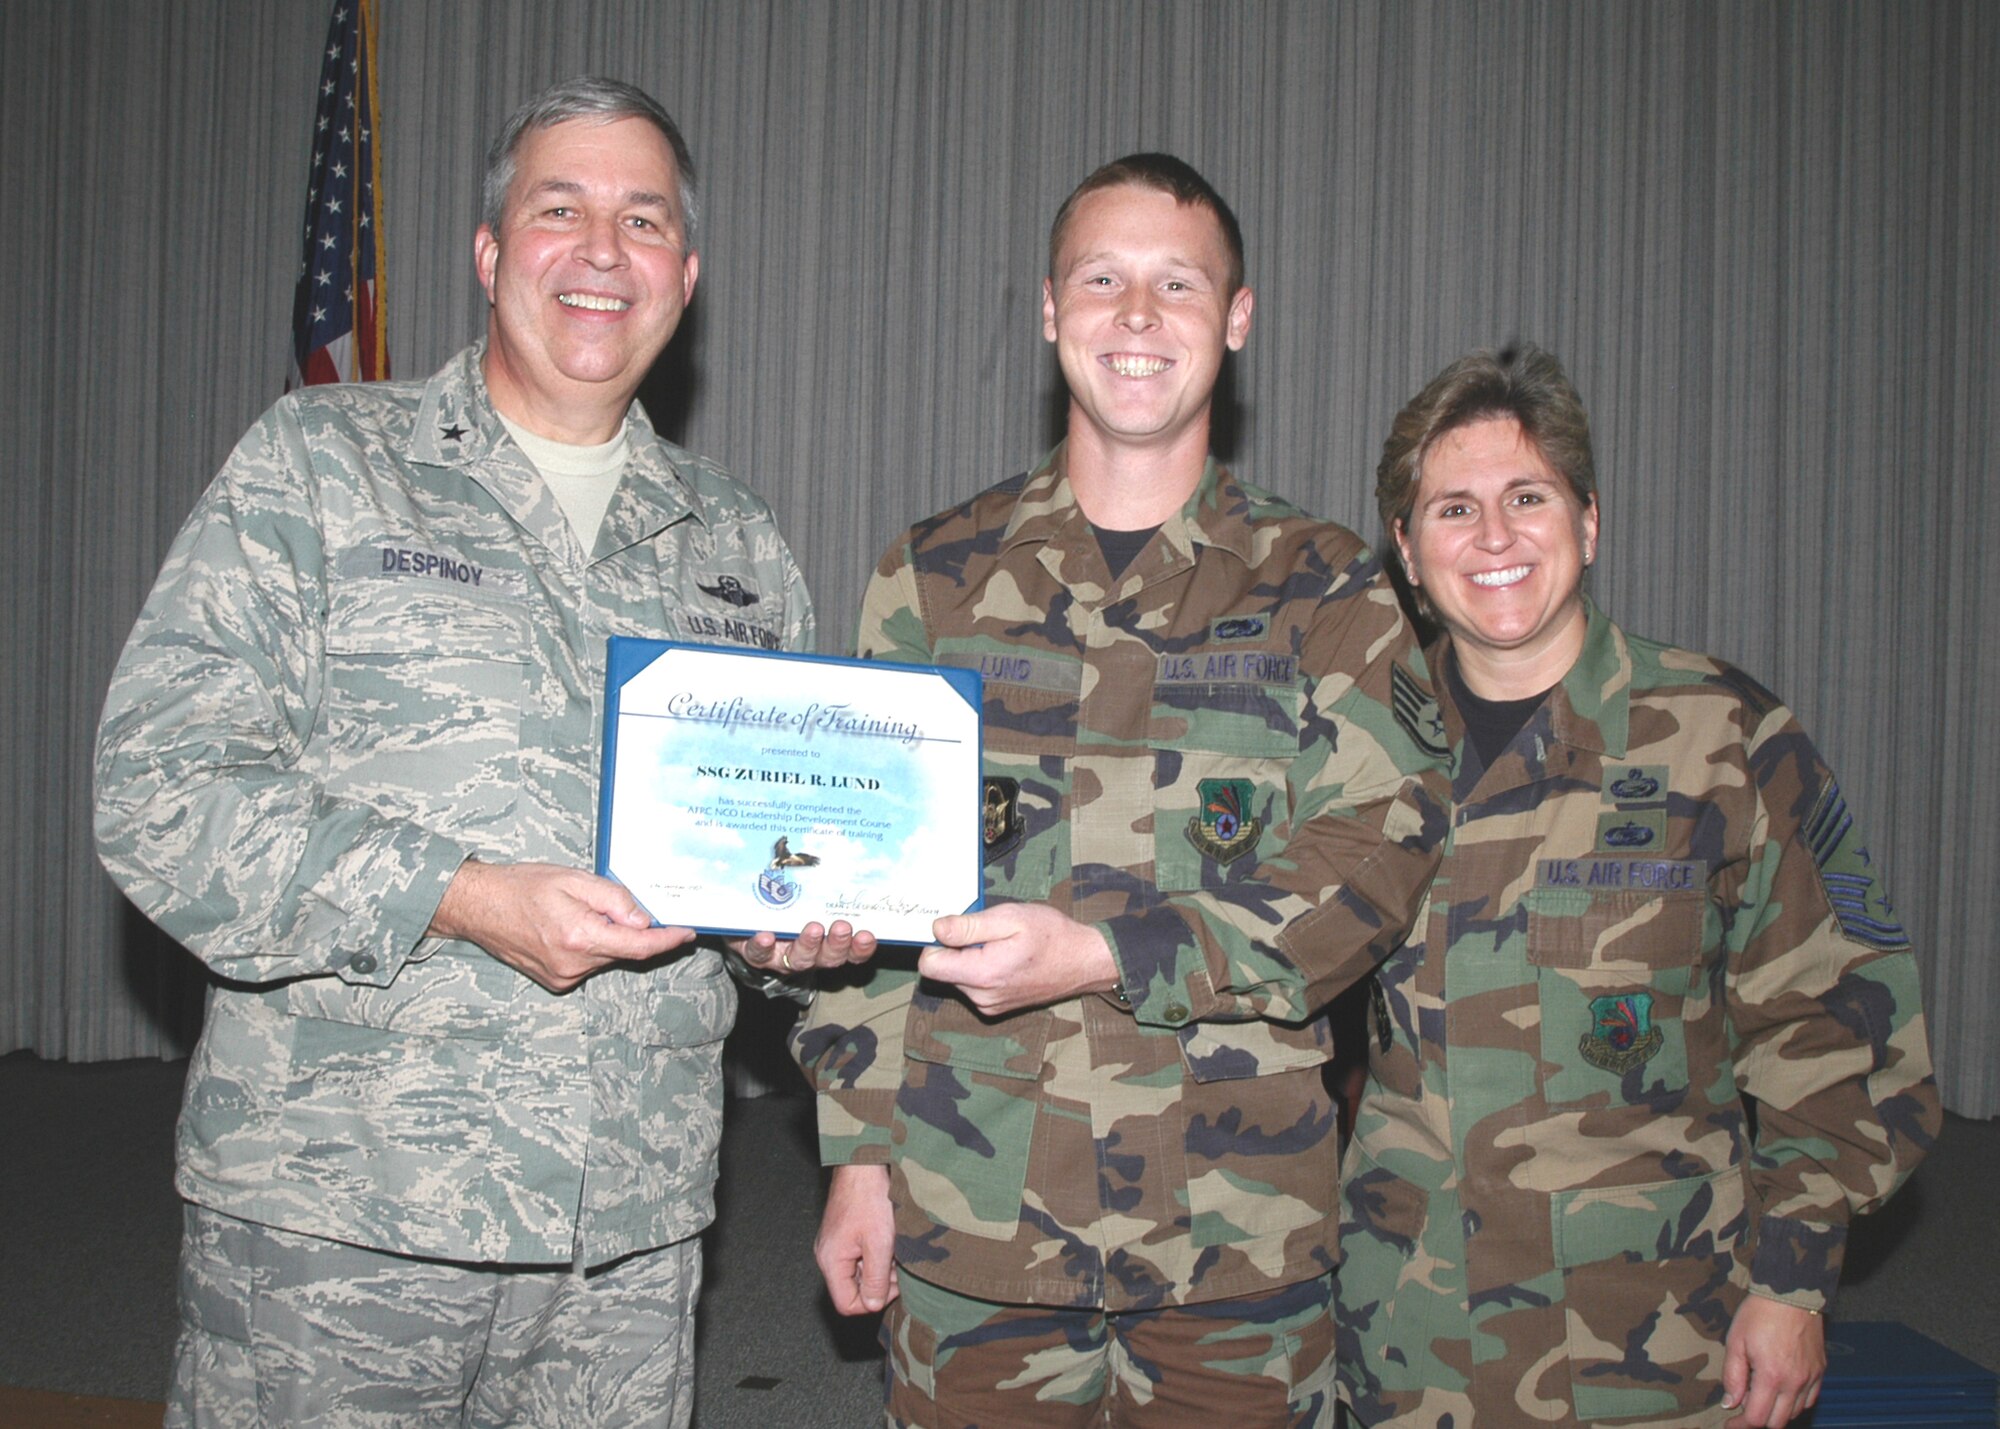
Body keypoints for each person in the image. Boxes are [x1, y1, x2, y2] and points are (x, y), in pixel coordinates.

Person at [94, 77, 866, 1427]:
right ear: (492, 252)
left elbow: (767, 851)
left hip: (619, 1245)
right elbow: (160, 795)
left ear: (683, 274)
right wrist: (458, 894)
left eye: (643, 219)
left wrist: (795, 934)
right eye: (559, 209)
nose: (602, 251)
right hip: (339, 1228)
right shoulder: (323, 466)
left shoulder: (736, 544)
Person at [792, 154, 1447, 1428]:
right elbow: (865, 887)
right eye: (1102, 280)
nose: (1136, 318)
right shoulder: (929, 577)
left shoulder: (1324, 592)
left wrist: (1104, 952)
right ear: (1048, 311)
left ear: (1235, 320)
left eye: (1176, 284)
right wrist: (857, 1157)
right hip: (973, 1217)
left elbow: (1375, 865)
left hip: (1233, 1235)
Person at [1336, 344, 1941, 1429]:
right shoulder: (1348, 747)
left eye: (1528, 496)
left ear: (1588, 520)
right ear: (1406, 550)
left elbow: (1842, 1031)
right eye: (1451, 508)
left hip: (1649, 1350)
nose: (1493, 538)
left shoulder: (1723, 735)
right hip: (1403, 1345)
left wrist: (1793, 1279)